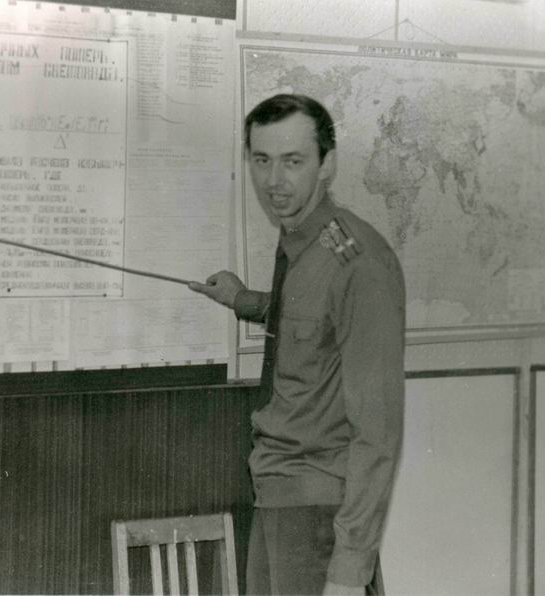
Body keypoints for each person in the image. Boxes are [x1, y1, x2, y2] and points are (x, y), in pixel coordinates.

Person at [189, 94, 405, 596]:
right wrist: (242, 300)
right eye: (262, 160)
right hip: (277, 496)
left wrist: (349, 571)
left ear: (327, 165)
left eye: (292, 161)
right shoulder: (302, 245)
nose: (274, 180)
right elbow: (311, 319)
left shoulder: (359, 264)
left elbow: (378, 432)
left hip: (318, 512)